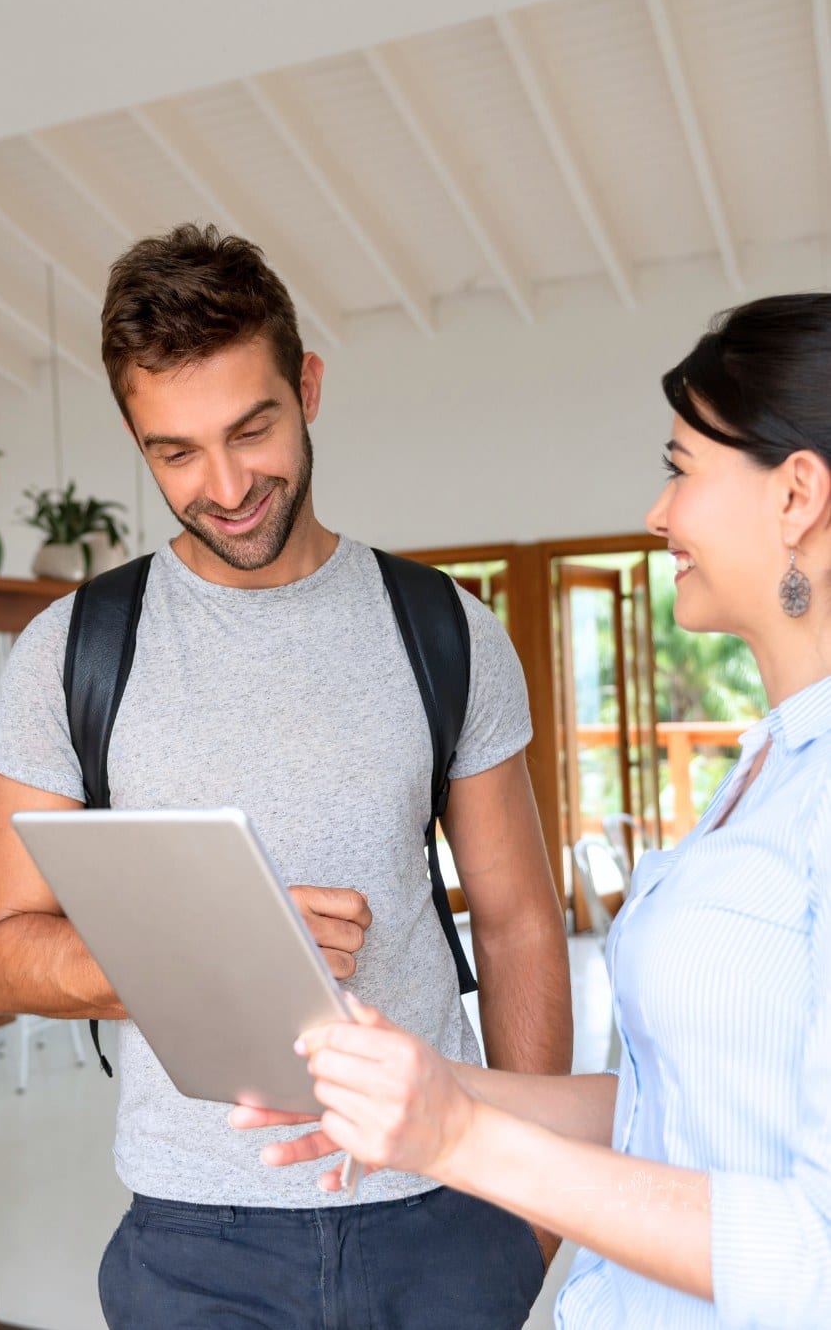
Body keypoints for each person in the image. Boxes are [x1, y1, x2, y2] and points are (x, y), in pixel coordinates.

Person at [0, 224, 572, 1330]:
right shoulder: (76, 648)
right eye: (176, 453)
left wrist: (530, 1200)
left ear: (310, 387)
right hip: (194, 1237)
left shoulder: (445, 631)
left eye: (254, 427)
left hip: (440, 1210)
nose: (227, 484)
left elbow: (522, 921)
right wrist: (223, 955)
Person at [250, 293, 831, 1328]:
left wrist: (460, 1145)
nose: (659, 513)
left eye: (681, 466)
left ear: (796, 496)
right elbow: (663, 1120)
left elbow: (815, 1259)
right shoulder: (767, 768)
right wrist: (438, 1089)